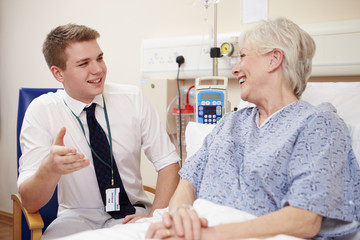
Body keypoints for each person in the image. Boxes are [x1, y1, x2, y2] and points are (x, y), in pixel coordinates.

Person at [145, 17, 360, 240]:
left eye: (243, 56)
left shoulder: (318, 123)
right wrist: (181, 216)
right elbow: (187, 184)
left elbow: (304, 220)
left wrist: (206, 235)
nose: (236, 69)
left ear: (274, 59)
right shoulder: (229, 124)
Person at [17, 23, 180, 239]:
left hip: (131, 214)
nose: (98, 69)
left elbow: (168, 163)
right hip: (76, 218)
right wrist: (50, 169)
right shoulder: (41, 111)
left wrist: (155, 216)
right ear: (58, 73)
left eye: (100, 58)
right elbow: (29, 202)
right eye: (84, 63)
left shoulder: (133, 99)